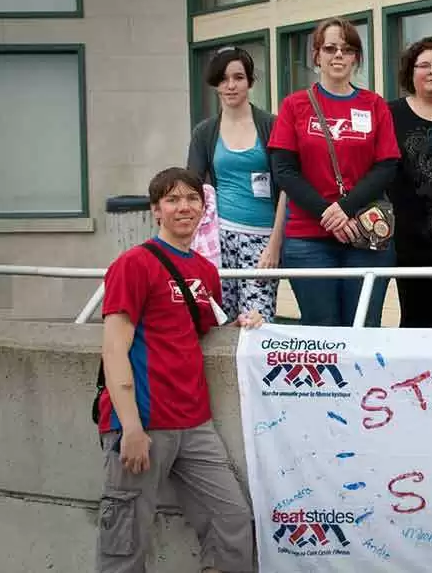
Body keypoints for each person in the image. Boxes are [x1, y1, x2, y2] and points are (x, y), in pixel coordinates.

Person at [96, 167, 263, 573]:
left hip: (195, 424)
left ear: (204, 210)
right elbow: (114, 348)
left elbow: (203, 329)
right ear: (156, 210)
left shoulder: (205, 273)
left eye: (192, 199)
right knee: (125, 542)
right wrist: (131, 428)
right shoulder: (134, 264)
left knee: (233, 521)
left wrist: (243, 323)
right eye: (172, 200)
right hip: (142, 421)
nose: (183, 207)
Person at [269, 17, 400, 327]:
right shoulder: (295, 105)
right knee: (321, 333)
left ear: (356, 57)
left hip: (365, 234)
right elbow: (284, 171)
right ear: (317, 55)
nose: (338, 55)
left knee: (363, 327)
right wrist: (328, 214)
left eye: (347, 48)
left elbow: (386, 166)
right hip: (307, 240)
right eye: (330, 48)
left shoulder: (374, 105)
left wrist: (344, 208)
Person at [187, 45, 287, 322]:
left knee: (258, 320)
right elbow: (191, 187)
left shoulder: (271, 125)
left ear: (250, 82)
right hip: (219, 239)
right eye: (223, 79)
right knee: (221, 321)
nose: (230, 86)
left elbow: (286, 188)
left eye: (238, 77)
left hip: (263, 239)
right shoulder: (205, 132)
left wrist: (275, 245)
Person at [388, 37, 432, 328]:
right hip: (409, 246)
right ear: (411, 71)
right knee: (417, 329)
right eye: (424, 65)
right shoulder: (390, 114)